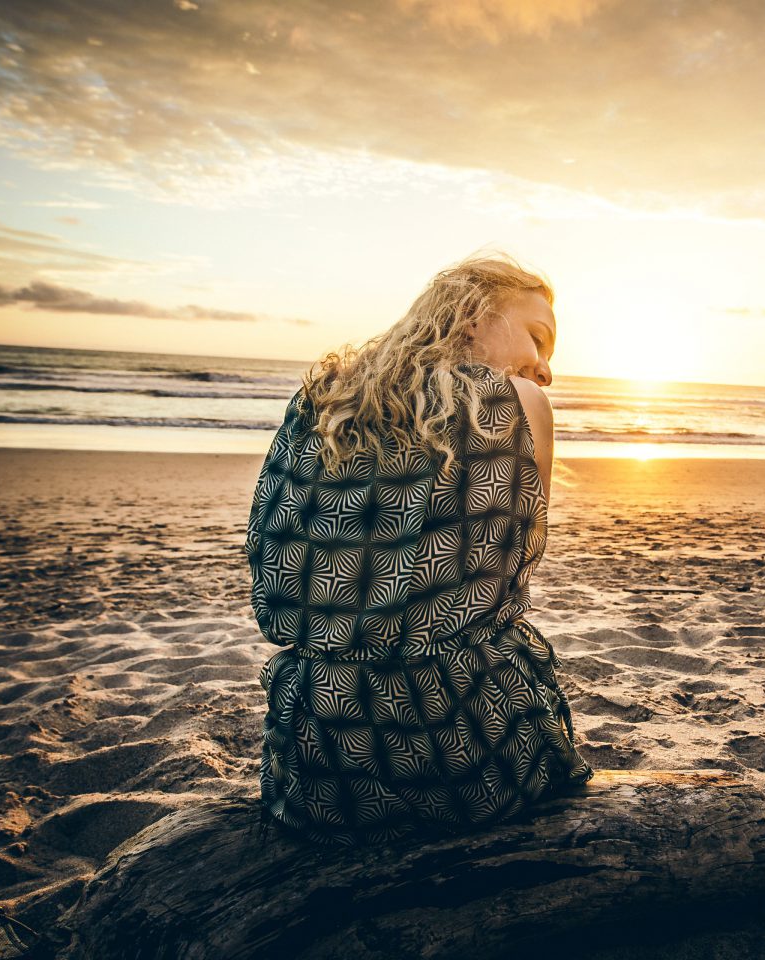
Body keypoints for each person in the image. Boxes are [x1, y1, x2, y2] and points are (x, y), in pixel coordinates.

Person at [245, 255, 593, 845]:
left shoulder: (322, 398)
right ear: (472, 316)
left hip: (321, 756)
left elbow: (275, 564)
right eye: (538, 338)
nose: (546, 368)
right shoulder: (518, 402)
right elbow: (512, 576)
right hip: (461, 749)